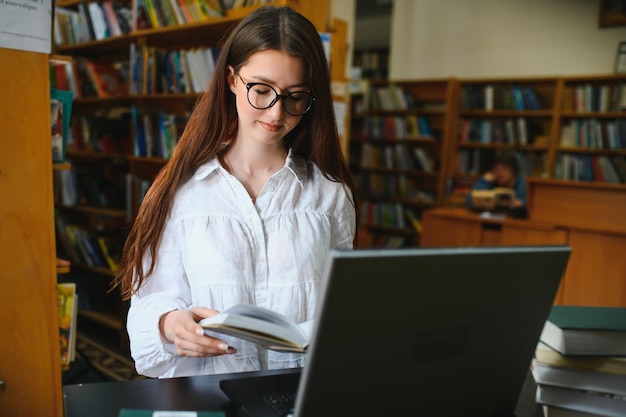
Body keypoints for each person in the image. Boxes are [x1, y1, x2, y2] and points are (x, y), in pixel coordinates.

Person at [111, 6, 358, 378]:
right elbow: (151, 302)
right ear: (231, 79)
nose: (276, 114)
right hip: (208, 394)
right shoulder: (182, 193)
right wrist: (169, 324)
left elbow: (344, 306)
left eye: (295, 97)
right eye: (261, 90)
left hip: (297, 397)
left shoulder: (330, 196)